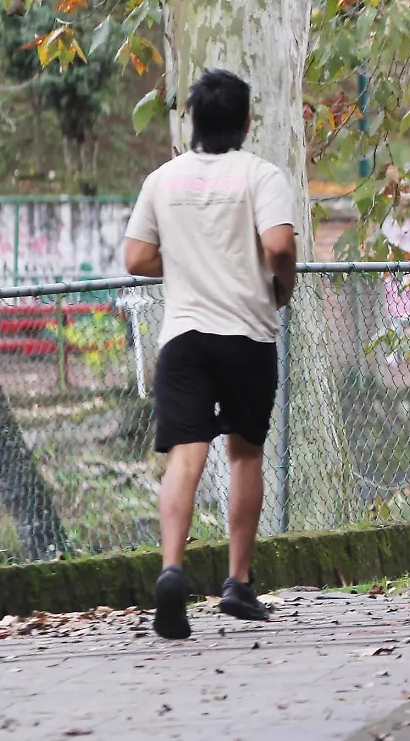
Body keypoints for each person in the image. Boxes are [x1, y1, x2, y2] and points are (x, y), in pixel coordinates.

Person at [123, 69, 298, 639]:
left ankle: (172, 569)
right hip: (247, 333)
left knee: (184, 457)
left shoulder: (162, 179)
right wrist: (281, 286)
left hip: (184, 338)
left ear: (191, 120)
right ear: (247, 121)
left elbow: (135, 257)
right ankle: (238, 583)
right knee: (244, 455)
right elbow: (277, 245)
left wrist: (189, 264)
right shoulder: (262, 176)